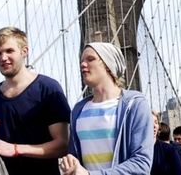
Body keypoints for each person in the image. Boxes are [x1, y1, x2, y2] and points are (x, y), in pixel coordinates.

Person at [0, 27, 70, 175]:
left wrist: (14, 149)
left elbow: (62, 145)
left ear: (24, 51)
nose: (3, 58)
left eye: (9, 51)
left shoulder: (48, 89)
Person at [59, 42, 154, 175]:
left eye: (90, 59)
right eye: (81, 60)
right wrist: (70, 164)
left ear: (108, 65)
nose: (82, 64)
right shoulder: (78, 110)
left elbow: (142, 163)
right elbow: (75, 157)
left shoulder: (135, 105)